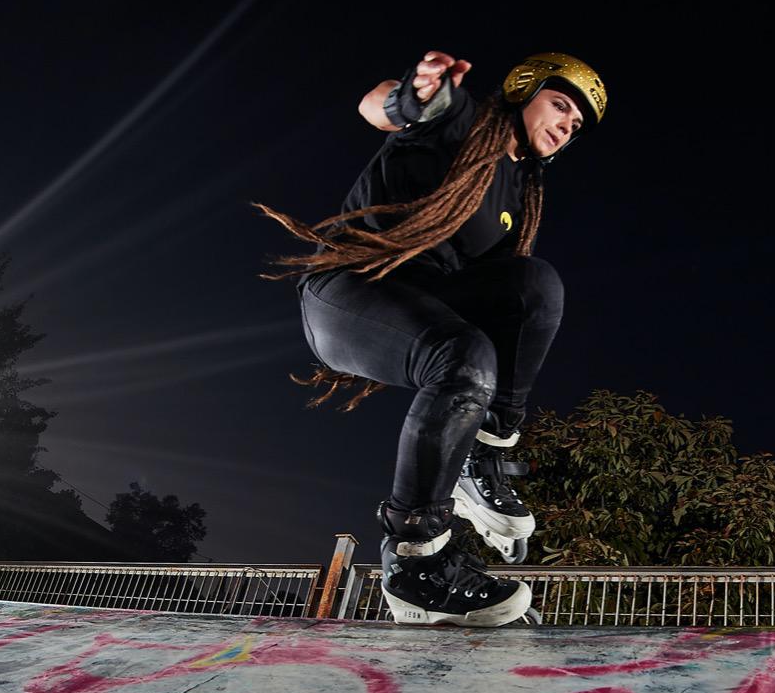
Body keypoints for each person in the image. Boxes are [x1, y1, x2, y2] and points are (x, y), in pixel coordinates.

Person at [255, 48, 607, 627]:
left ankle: (484, 456)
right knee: (465, 357)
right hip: (350, 292)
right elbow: (386, 107)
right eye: (561, 105)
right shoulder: (463, 120)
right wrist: (414, 97)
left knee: (535, 284)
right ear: (523, 92)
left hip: (426, 301)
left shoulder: (519, 195)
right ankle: (416, 562)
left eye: (578, 125)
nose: (569, 126)